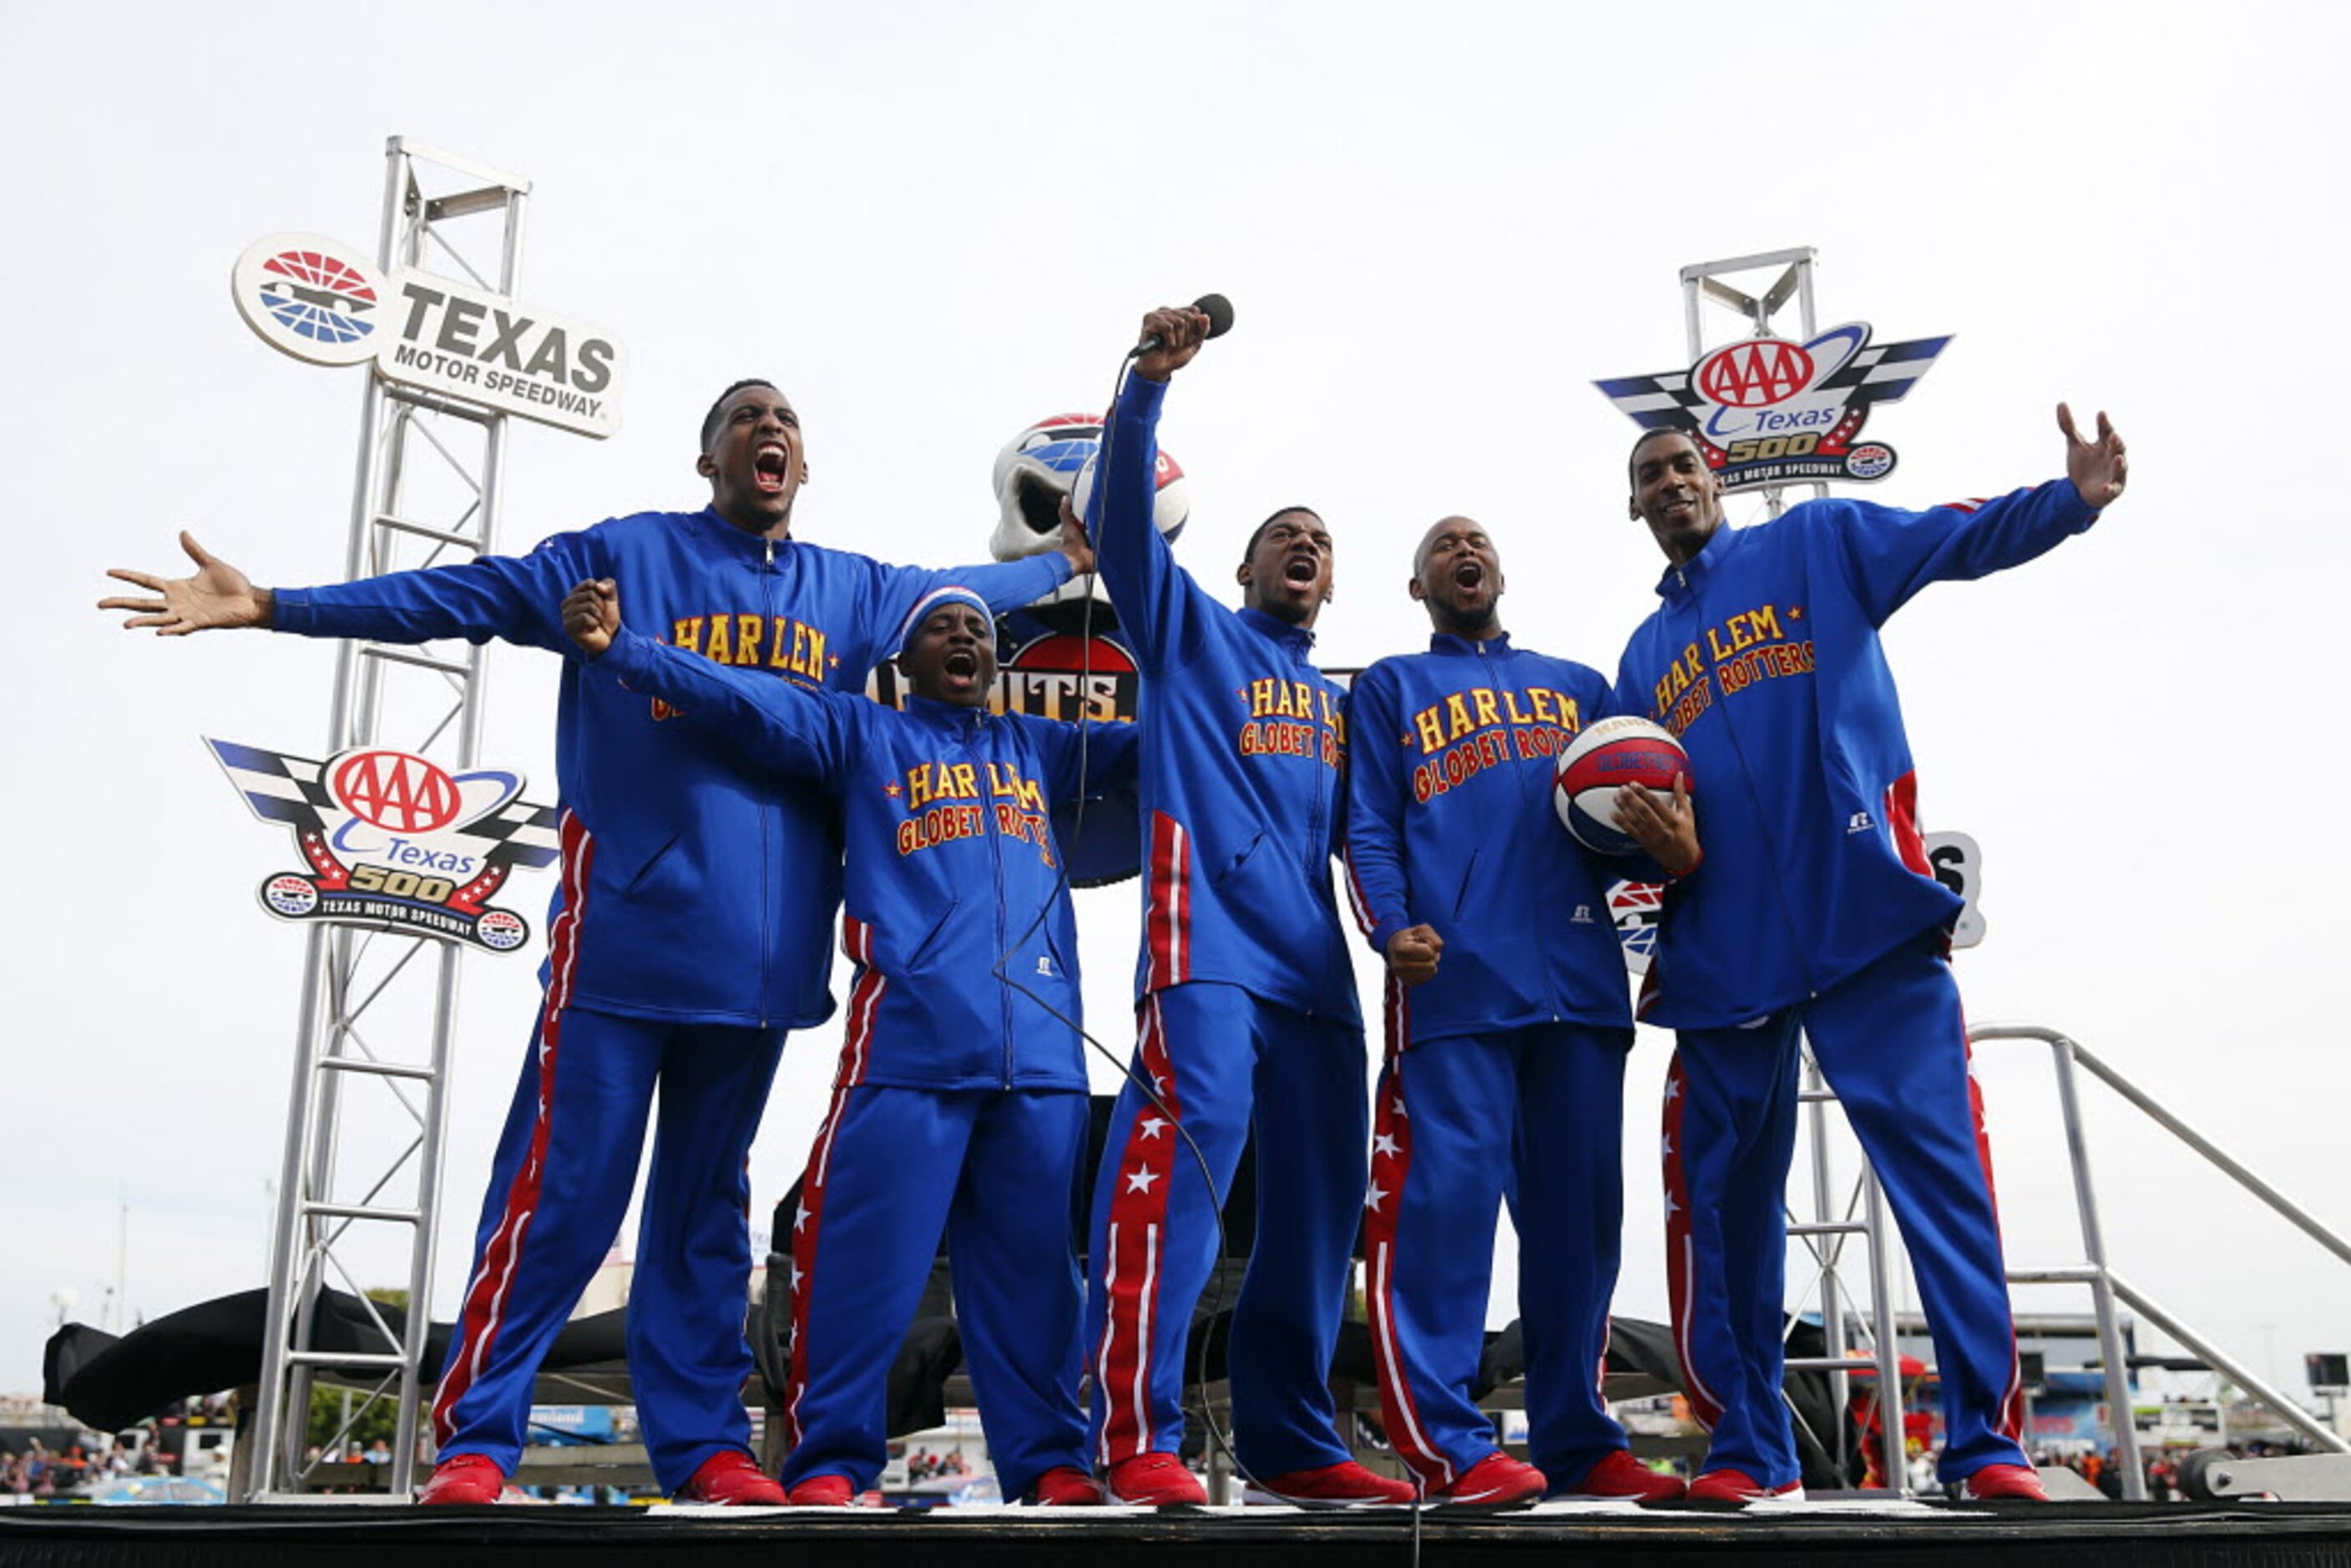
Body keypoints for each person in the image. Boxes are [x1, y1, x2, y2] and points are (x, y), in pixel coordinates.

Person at [100, 380, 1090, 1506]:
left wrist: (1065, 558)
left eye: (787, 423)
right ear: (708, 455)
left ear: (802, 469)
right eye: (743, 417)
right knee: (563, 1197)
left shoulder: (853, 592)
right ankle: (478, 1434)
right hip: (624, 949)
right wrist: (277, 603)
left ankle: (707, 1445)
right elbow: (453, 594)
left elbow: (973, 593)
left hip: (762, 976)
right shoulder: (620, 557)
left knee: (705, 1215)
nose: (769, 430)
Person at [1613, 411, 2128, 1503]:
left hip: (1866, 916)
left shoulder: (1817, 542)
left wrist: (2068, 502)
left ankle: (1985, 1444)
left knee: (1941, 1179)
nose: (1669, 483)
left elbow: (1951, 538)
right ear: (1635, 506)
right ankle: (1754, 1447)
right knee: (1725, 1213)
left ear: (1716, 477)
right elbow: (1630, 812)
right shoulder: (1644, 658)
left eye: (1682, 465)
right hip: (1724, 953)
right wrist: (1656, 848)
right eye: (1649, 474)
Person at [561, 576, 1136, 1507]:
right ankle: (830, 1458)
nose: (964, 639)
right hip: (908, 1044)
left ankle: (1050, 1464)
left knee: (1036, 1279)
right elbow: (741, 699)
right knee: (862, 1267)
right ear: (901, 662)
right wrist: (625, 650)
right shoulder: (861, 732)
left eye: (978, 631)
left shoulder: (1038, 745)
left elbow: (1181, 734)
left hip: (1042, 1054)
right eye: (941, 628)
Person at [1079, 305, 1412, 1507]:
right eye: (1282, 534)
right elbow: (1119, 527)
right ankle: (1133, 1431)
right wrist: (1146, 392)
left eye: (1319, 537)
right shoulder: (1189, 633)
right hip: (1204, 953)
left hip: (1316, 978)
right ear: (1244, 567)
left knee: (1324, 1221)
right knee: (1178, 1192)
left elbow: (1374, 838)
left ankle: (1293, 1437)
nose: (1303, 545)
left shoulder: (1341, 701)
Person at [1342, 516, 1695, 1505]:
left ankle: (1577, 1442)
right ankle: (1448, 1444)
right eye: (1441, 547)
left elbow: (1633, 821)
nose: (1463, 553)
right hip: (1453, 989)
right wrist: (1388, 928)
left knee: (1579, 1228)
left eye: (1477, 542)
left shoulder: (1583, 691)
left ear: (1501, 570)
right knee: (1441, 1221)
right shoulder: (1388, 686)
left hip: (1580, 992)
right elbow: (1366, 826)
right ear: (1417, 588)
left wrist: (1665, 845)